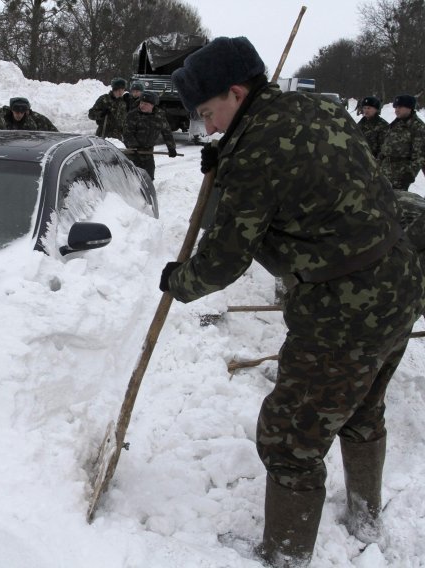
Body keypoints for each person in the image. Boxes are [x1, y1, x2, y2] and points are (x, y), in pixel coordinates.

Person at [164, 36, 425, 567]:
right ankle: (365, 517)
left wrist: (178, 280)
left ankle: (285, 559)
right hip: (400, 278)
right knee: (361, 408)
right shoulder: (316, 107)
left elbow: (223, 260)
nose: (207, 127)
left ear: (237, 93)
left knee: (289, 441)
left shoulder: (255, 152)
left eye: (210, 113)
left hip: (344, 309)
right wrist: (227, 151)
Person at [122, 91, 177, 180]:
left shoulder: (159, 115)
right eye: (141, 103)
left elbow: (166, 132)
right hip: (133, 152)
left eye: (146, 104)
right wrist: (134, 146)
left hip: (148, 152)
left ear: (152, 105)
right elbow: (127, 133)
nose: (142, 105)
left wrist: (171, 148)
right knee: (133, 178)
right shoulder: (132, 115)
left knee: (149, 177)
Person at [378, 94, 425, 191]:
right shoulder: (396, 124)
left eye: (400, 107)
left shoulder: (417, 127)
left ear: (409, 108)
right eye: (395, 107)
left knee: (394, 202)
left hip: (400, 175)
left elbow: (419, 155)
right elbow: (386, 146)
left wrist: (410, 174)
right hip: (384, 170)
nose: (396, 110)